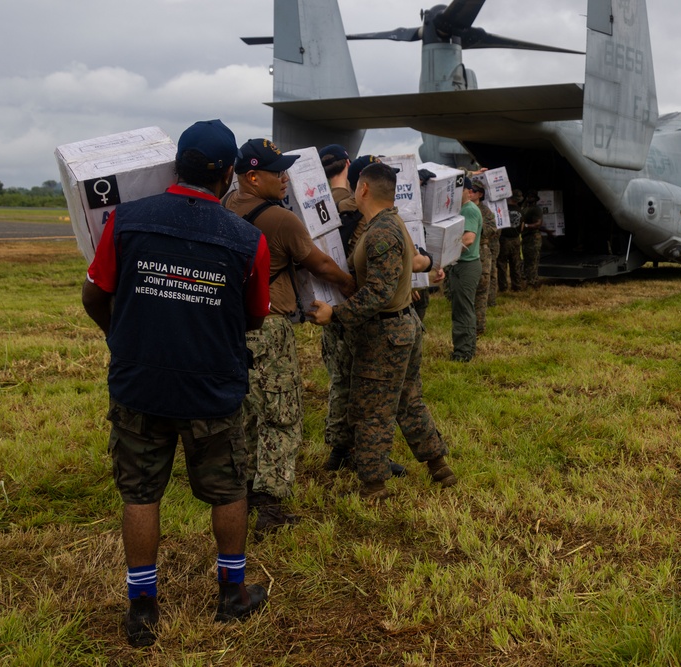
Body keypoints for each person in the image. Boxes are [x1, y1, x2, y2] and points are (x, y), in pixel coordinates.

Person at [81, 120, 271, 647]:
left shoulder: (126, 221)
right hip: (213, 390)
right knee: (228, 488)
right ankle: (231, 595)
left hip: (139, 386)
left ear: (175, 165)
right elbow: (254, 316)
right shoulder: (247, 239)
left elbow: (94, 296)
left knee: (140, 493)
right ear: (230, 174)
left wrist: (123, 342)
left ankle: (142, 608)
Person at [224, 138, 356, 535]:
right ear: (251, 176)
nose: (285, 178)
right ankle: (270, 506)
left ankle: (243, 491)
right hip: (269, 328)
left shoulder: (226, 207)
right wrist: (353, 288)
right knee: (281, 417)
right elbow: (321, 265)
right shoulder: (280, 220)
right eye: (275, 171)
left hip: (230, 327)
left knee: (246, 412)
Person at [307, 162, 457, 500]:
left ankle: (374, 486)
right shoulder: (392, 223)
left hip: (385, 334)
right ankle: (438, 467)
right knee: (407, 400)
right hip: (400, 328)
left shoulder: (380, 233)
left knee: (372, 410)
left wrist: (336, 314)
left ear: (362, 190)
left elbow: (379, 292)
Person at [445, 178, 484, 361]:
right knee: (460, 308)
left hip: (467, 265)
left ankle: (464, 353)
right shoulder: (461, 210)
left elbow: (468, 239)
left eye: (458, 190)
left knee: (464, 310)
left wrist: (445, 253)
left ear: (468, 191)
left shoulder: (469, 210)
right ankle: (464, 349)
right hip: (460, 265)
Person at [471, 180, 497, 335]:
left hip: (481, 250)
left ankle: (479, 327)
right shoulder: (463, 208)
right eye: (469, 190)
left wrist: (477, 228)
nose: (470, 192)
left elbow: (493, 230)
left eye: (474, 190)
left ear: (480, 194)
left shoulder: (485, 211)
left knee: (481, 289)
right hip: (465, 251)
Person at [497, 189, 524, 292]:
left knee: (502, 264)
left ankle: (503, 287)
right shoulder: (521, 210)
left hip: (504, 240)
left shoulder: (502, 209)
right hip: (516, 240)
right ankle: (517, 286)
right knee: (515, 263)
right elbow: (521, 228)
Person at [521, 194, 545, 287]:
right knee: (526, 260)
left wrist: (526, 226)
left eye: (531, 197)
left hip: (533, 237)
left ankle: (533, 282)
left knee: (533, 261)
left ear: (535, 199)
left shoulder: (536, 209)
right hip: (525, 237)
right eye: (528, 196)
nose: (528, 198)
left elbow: (538, 223)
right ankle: (527, 280)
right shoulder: (524, 208)